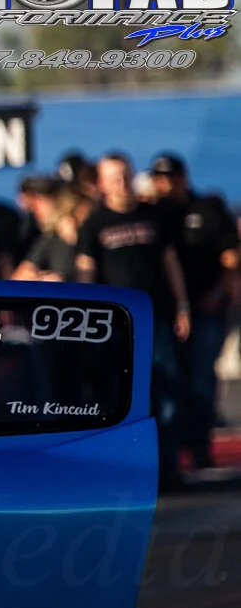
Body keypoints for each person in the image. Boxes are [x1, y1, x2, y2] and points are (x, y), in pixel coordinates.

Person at [77, 152, 192, 487]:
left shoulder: (153, 215)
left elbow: (171, 263)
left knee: (166, 396)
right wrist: (89, 320)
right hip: (116, 328)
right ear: (102, 183)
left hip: (157, 319)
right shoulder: (94, 222)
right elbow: (87, 273)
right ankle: (128, 471)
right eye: (113, 177)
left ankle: (168, 470)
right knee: (123, 399)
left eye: (124, 174)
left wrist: (182, 306)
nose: (121, 182)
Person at [150, 152, 240, 470]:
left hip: (204, 307)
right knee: (169, 379)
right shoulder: (154, 214)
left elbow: (230, 255)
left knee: (200, 376)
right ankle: (172, 448)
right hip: (167, 311)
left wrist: (219, 292)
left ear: (182, 178)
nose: (164, 185)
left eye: (170, 178)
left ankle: (199, 445)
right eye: (159, 179)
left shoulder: (207, 208)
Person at [15, 178, 85, 282]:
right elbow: (20, 275)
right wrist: (42, 278)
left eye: (40, 201)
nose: (35, 209)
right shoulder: (49, 237)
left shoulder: (88, 229)